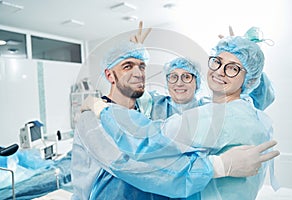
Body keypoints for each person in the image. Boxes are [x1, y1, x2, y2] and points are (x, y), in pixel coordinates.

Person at [71, 25, 279, 199]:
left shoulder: (213, 113)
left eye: (142, 66)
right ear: (109, 75)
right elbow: (131, 162)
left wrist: (245, 52)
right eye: (128, 66)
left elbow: (150, 141)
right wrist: (218, 166)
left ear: (197, 82)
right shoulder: (112, 114)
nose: (137, 73)